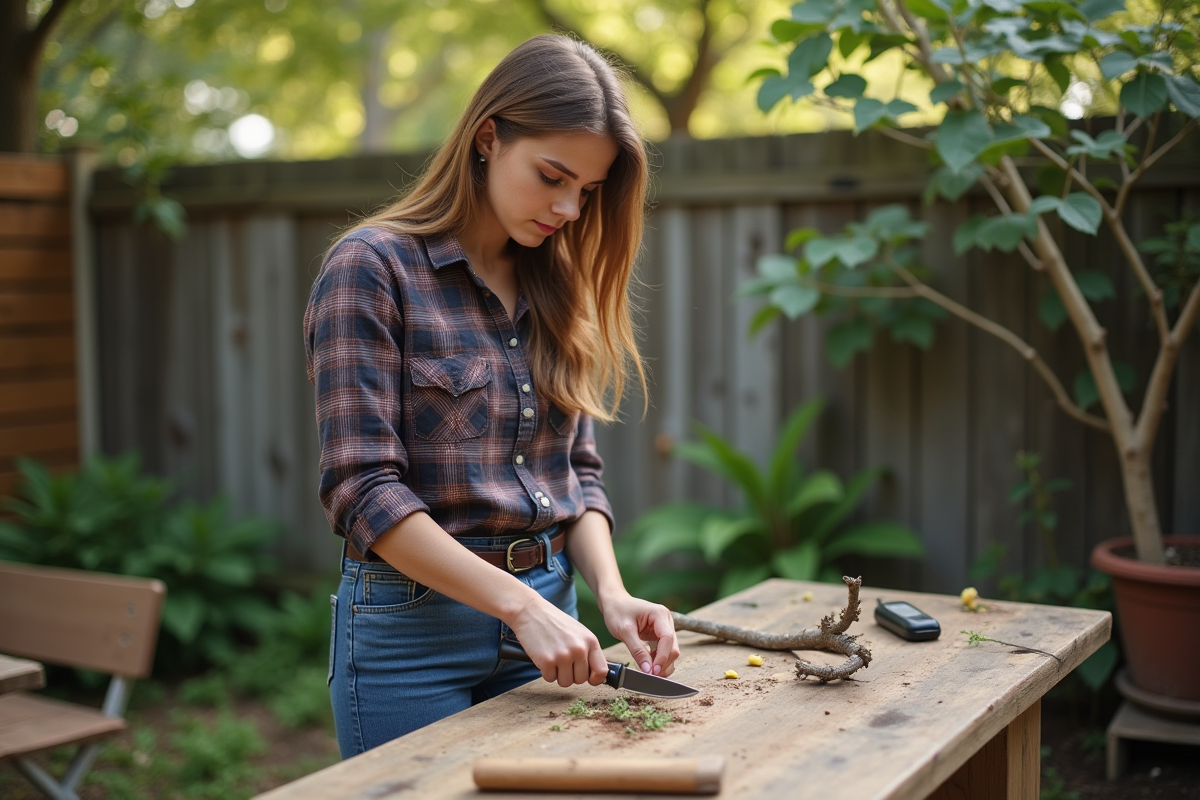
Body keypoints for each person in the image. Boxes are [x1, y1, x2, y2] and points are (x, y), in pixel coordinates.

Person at [303, 34, 681, 759]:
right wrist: (520, 607)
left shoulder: (555, 281)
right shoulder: (371, 269)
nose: (569, 208)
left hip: (551, 613)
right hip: (410, 633)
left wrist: (612, 593)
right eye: (551, 176)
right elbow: (362, 490)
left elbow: (577, 476)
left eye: (588, 191)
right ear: (487, 137)